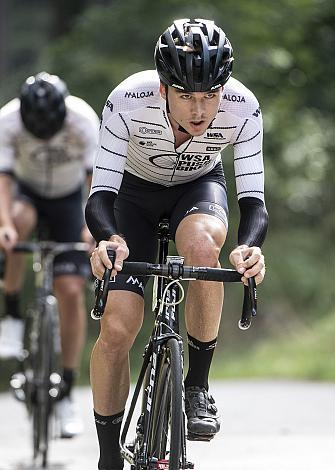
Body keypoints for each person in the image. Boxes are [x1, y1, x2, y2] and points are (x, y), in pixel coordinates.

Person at [85, 18, 268, 470]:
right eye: (186, 94)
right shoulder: (127, 100)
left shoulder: (244, 108)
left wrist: (249, 249)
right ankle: (109, 456)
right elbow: (101, 195)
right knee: (118, 328)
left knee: (205, 251)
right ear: (164, 89)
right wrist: (108, 240)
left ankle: (197, 388)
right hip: (131, 196)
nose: (200, 109)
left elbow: (254, 203)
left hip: (199, 188)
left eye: (210, 94)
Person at [0, 72, 99, 437]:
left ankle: (67, 392)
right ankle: (10, 315)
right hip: (26, 193)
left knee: (71, 290)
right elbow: (3, 181)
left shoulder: (83, 119)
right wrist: (5, 225)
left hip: (70, 198)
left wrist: (93, 226)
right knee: (18, 225)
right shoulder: (7, 121)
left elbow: (98, 180)